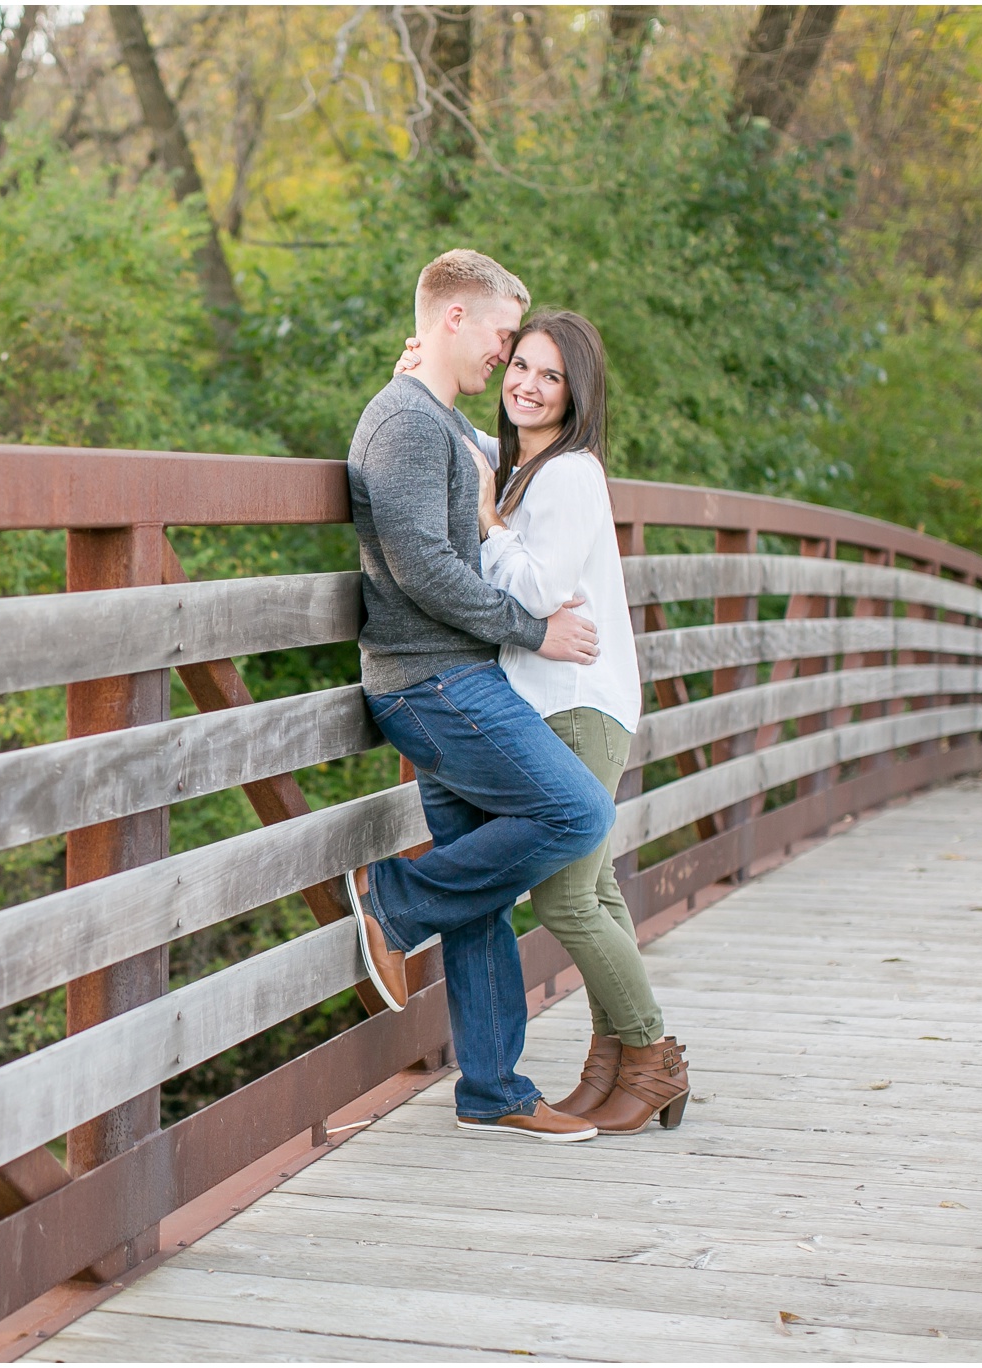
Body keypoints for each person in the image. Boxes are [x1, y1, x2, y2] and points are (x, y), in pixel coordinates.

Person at [339, 249, 615, 1144]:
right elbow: (421, 565)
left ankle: (491, 1091)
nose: (507, 358)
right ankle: (393, 902)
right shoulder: (409, 427)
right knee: (576, 813)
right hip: (433, 680)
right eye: (504, 337)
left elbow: (479, 486)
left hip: (452, 677)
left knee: (486, 890)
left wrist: (418, 372)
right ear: (454, 319)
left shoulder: (431, 419)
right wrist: (532, 630)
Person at [395, 309, 690, 1134]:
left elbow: (535, 590)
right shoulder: (520, 463)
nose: (525, 383)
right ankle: (613, 1060)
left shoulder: (565, 476)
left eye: (549, 375)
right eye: (519, 364)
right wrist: (416, 374)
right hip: (563, 703)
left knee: (564, 899)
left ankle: (652, 1054)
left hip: (577, 705)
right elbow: (445, 440)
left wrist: (489, 524)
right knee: (591, 889)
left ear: (576, 393)